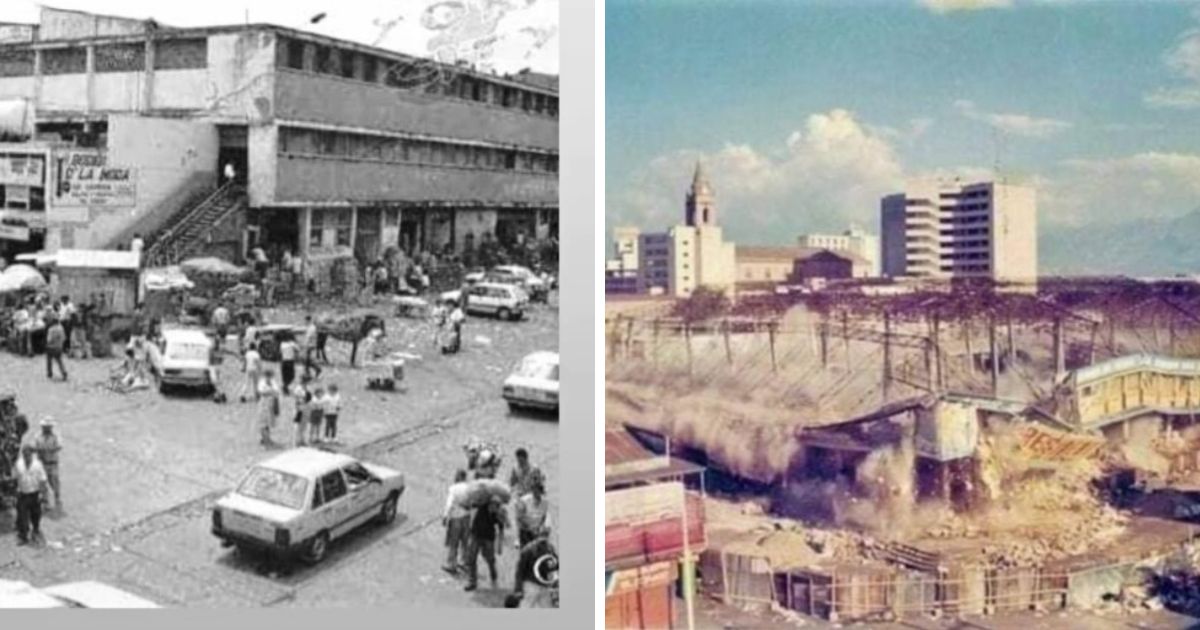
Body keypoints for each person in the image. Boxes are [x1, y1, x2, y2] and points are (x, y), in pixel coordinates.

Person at [512, 480, 550, 598]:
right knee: (524, 558)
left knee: (539, 557)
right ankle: (519, 588)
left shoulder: (545, 502)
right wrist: (529, 527)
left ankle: (539, 583)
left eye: (538, 491)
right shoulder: (524, 501)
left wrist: (540, 529)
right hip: (526, 532)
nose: (536, 493)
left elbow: (543, 516)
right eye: (534, 491)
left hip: (537, 532)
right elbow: (519, 517)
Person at [464, 496, 507, 592]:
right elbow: (471, 504)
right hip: (475, 535)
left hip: (488, 538)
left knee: (489, 558)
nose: (492, 508)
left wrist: (499, 546)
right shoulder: (482, 506)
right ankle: (472, 581)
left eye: (495, 506)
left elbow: (501, 529)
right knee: (471, 558)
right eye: (492, 505)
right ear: (489, 503)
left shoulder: (498, 514)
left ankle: (493, 572)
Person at [14, 445, 50, 546]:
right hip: (23, 494)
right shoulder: (19, 464)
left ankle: (35, 530)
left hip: (35, 494)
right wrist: (15, 493)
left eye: (28, 455)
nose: (27, 457)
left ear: (31, 455)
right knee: (22, 516)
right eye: (25, 455)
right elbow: (16, 479)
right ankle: (23, 536)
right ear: (23, 455)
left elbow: (43, 480)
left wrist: (44, 495)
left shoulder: (37, 465)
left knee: (36, 515)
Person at [442, 469, 471, 575]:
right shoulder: (470, 488)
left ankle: (451, 565)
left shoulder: (453, 489)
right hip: (467, 519)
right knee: (465, 542)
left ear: (458, 477)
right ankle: (464, 562)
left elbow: (449, 504)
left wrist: (445, 516)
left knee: (453, 543)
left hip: (455, 519)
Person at [32, 418, 62, 512]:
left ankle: (57, 497)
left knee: (54, 481)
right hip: (42, 463)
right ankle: (46, 502)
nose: (46, 429)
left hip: (52, 463)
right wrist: (39, 450)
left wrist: (48, 449)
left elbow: (59, 446)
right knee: (43, 482)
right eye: (45, 427)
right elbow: (34, 447)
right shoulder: (38, 436)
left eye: (48, 427)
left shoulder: (55, 436)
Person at [256, 369, 281, 446]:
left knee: (269, 423)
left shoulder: (273, 382)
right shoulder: (262, 382)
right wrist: (271, 391)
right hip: (264, 404)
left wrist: (270, 391)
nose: (269, 378)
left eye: (270, 376)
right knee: (263, 423)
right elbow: (261, 392)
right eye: (267, 376)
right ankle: (265, 440)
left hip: (271, 403)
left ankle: (267, 439)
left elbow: (277, 391)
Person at [44, 316, 68, 381]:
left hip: (51, 347)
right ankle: (64, 372)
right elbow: (64, 338)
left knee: (49, 360)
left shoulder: (50, 329)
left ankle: (49, 373)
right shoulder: (61, 328)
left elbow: (49, 340)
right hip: (59, 347)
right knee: (59, 361)